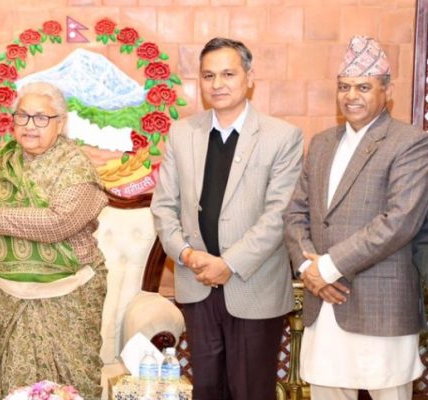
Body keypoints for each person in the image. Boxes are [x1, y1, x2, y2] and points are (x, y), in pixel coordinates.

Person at [151, 37, 303, 400]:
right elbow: (163, 207)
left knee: (250, 390)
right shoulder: (182, 133)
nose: (217, 84)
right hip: (196, 282)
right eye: (208, 76)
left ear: (249, 78)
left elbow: (278, 214)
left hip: (254, 286)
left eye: (228, 74)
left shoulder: (282, 137)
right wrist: (187, 254)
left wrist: (229, 263)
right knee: (205, 389)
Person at [283, 35, 428, 400]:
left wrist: (328, 267)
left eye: (363, 87)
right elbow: (295, 214)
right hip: (323, 303)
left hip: (381, 306)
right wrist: (309, 270)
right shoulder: (321, 143)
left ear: (387, 91)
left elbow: (399, 221)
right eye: (344, 87)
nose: (351, 96)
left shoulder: (410, 142)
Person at [0, 81, 108, 397]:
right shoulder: (1, 161)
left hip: (69, 293)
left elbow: (59, 223)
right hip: (5, 297)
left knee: (70, 385)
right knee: (11, 384)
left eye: (41, 118)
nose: (29, 125)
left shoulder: (75, 165)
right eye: (22, 116)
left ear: (60, 123)